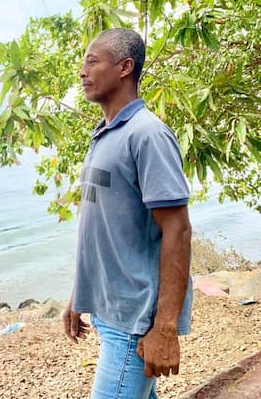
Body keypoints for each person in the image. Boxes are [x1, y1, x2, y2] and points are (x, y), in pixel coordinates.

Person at [63, 28, 193, 399]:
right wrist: (79, 295)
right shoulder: (104, 134)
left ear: (125, 67)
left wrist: (165, 329)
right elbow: (103, 229)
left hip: (135, 321)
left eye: (92, 61)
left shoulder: (147, 134)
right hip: (110, 312)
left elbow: (178, 232)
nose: (82, 72)